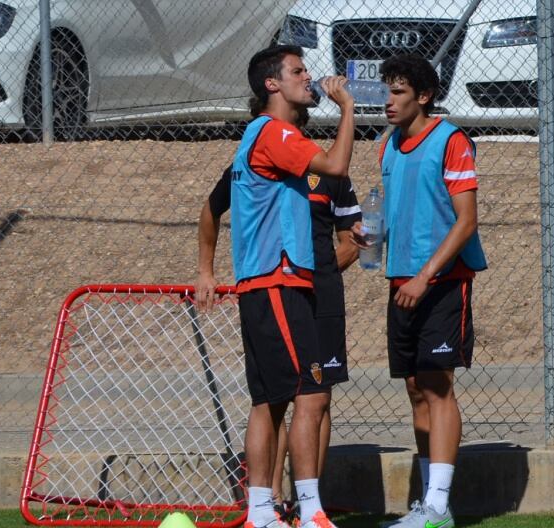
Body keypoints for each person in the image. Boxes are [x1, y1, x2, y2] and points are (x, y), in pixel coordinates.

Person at [196, 44, 355, 528]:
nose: (308, 77)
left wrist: (207, 269)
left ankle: (261, 513)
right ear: (273, 84)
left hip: (267, 285)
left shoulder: (259, 136)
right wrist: (347, 108)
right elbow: (336, 165)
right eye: (298, 71)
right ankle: (311, 511)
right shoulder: (274, 132)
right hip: (277, 282)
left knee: (269, 400)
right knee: (311, 392)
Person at [353, 54, 487, 528]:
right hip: (402, 281)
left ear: (424, 96)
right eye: (386, 91)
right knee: (415, 389)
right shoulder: (387, 146)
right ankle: (430, 504)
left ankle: (438, 505)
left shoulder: (451, 141)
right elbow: (393, 214)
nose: (388, 101)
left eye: (398, 92)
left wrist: (425, 275)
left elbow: (466, 221)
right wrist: (367, 236)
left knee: (437, 384)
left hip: (441, 282)